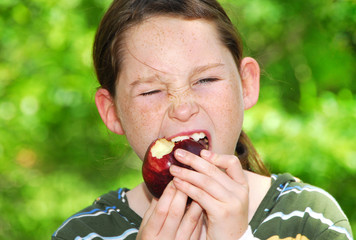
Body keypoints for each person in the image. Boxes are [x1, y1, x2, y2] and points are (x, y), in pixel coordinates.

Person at [52, 0, 353, 239]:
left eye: (205, 79)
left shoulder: (309, 218)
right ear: (112, 112)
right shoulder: (83, 234)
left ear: (246, 84)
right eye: (152, 91)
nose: (182, 108)